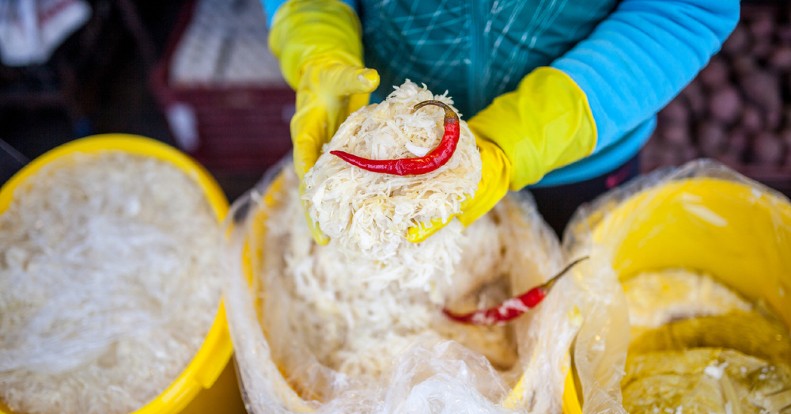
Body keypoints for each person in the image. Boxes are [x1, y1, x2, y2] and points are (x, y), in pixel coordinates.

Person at [264, 0, 739, 240]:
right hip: (384, 130)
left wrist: (531, 132)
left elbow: (685, 9)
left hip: (579, 152)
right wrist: (317, 33)